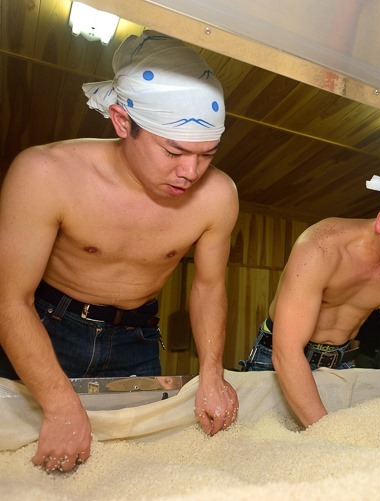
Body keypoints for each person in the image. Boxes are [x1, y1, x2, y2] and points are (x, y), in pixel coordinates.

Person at [0, 31, 240, 472]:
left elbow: (209, 288)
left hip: (136, 339)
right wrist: (58, 403)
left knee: (130, 471)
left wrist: (212, 374)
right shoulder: (45, 173)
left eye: (207, 155)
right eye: (174, 151)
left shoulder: (219, 195)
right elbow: (9, 298)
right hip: (46, 327)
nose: (190, 172)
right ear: (122, 121)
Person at [240, 166, 380, 427]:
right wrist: (325, 433)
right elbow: (287, 350)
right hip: (277, 354)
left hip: (340, 360)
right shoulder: (321, 246)